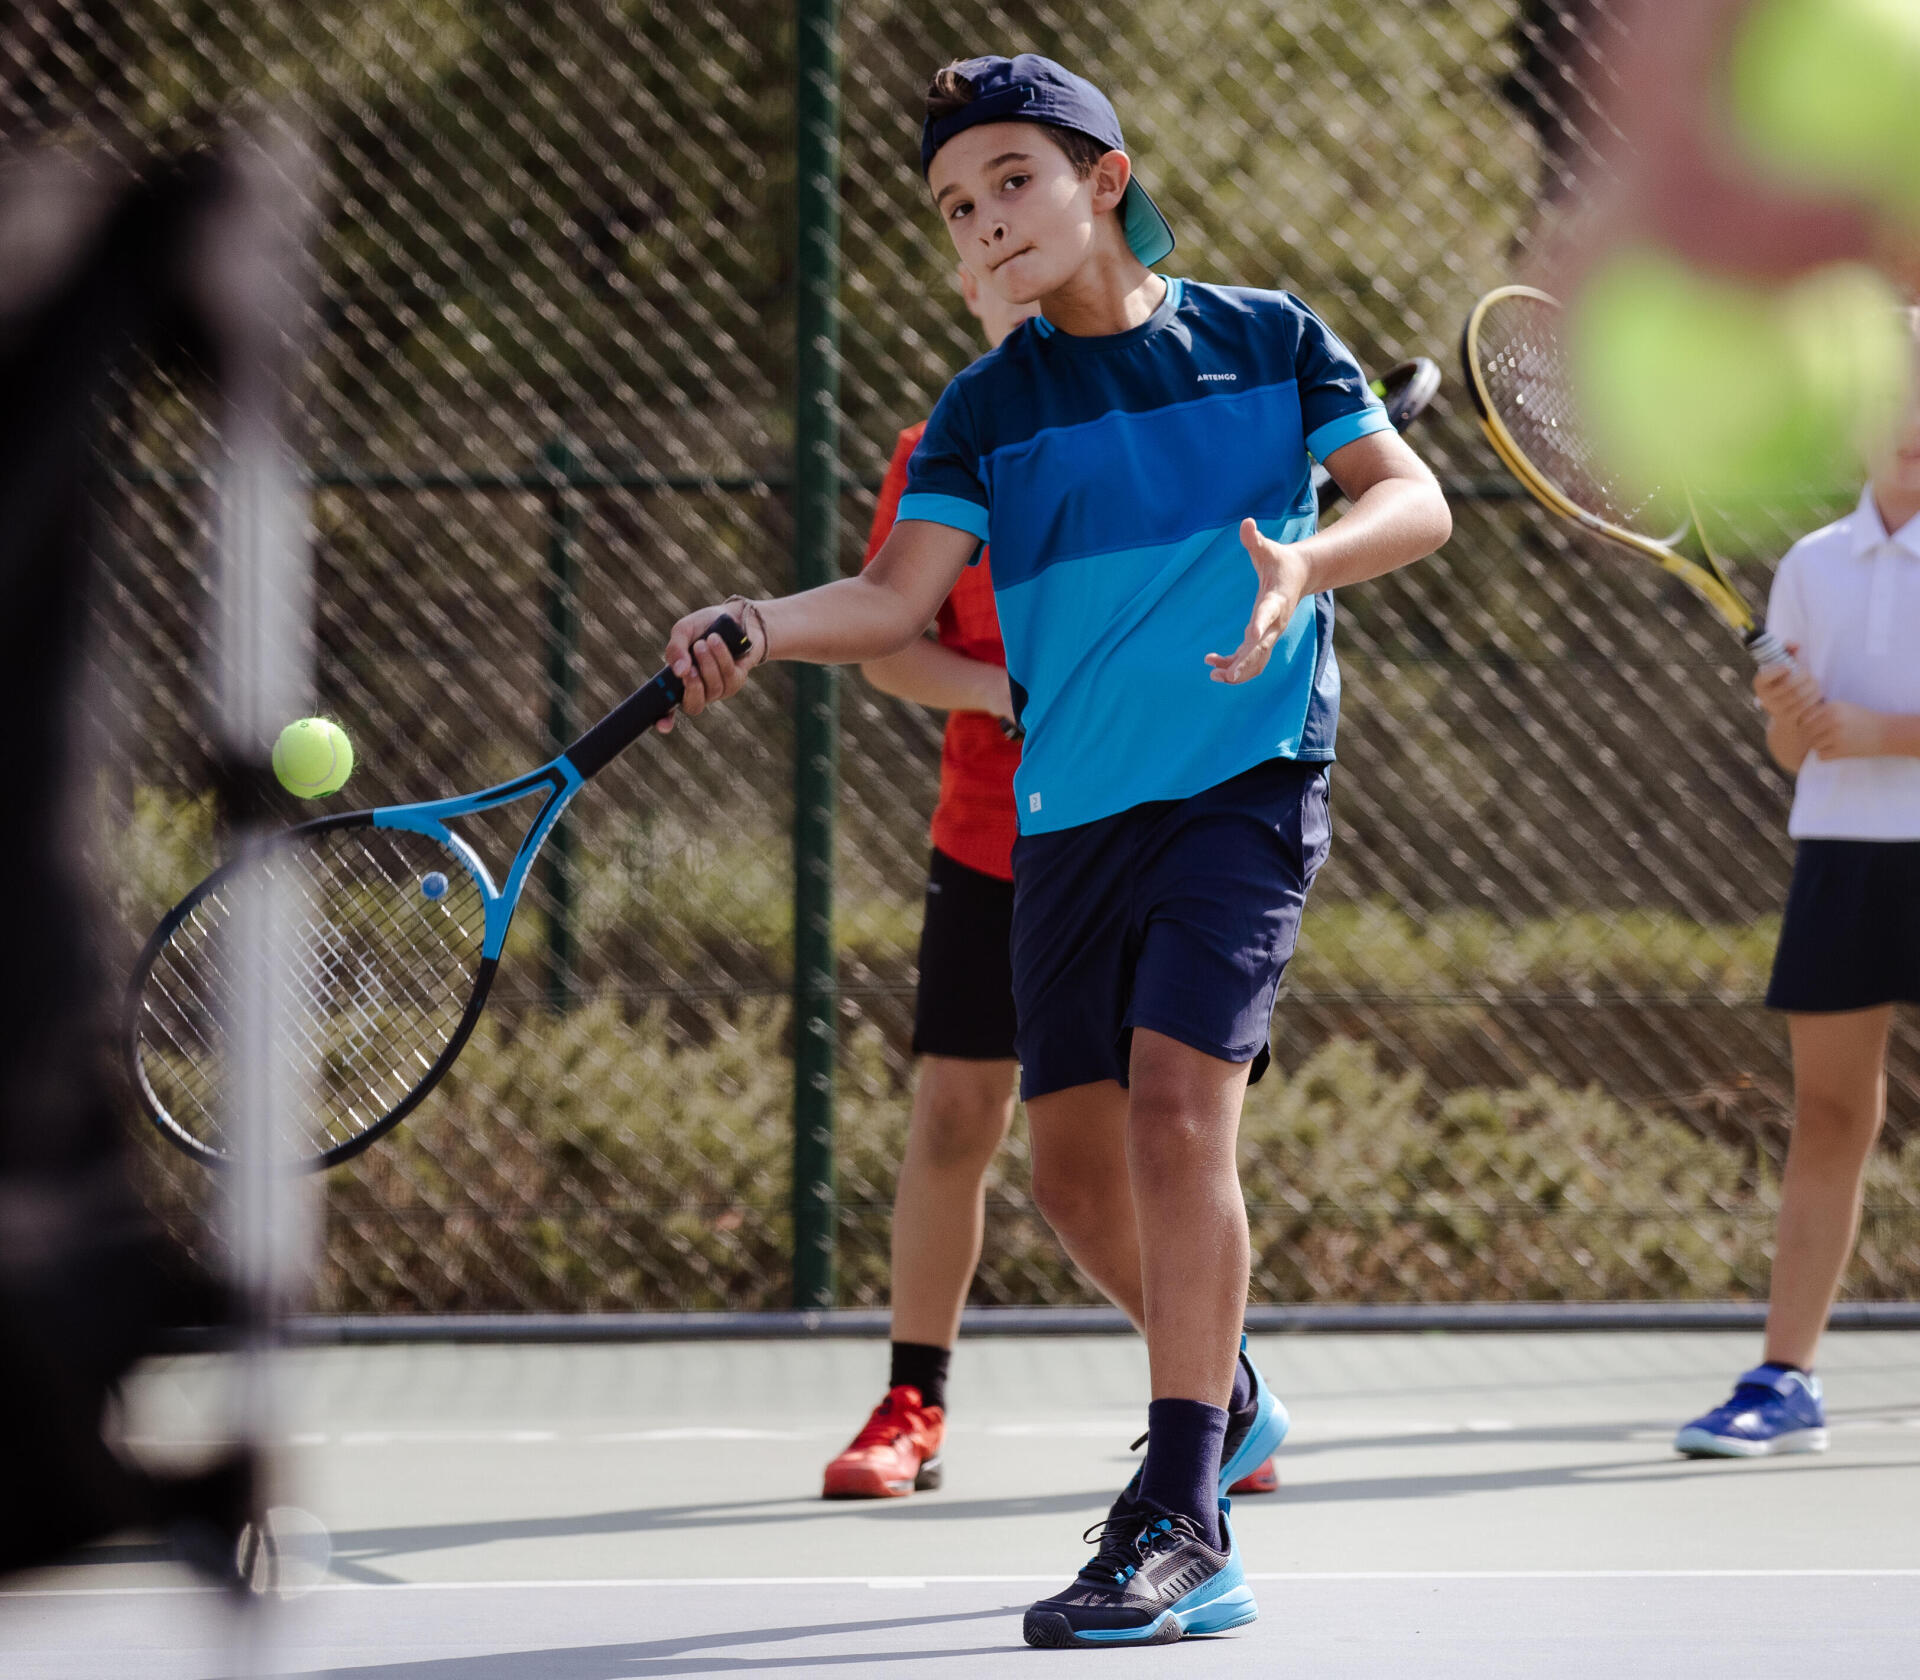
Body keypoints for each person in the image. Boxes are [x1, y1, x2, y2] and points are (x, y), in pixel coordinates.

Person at [658, 54, 1450, 1646]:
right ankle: (1224, 1391)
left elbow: (1413, 499)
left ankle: (1186, 1516)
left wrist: (1308, 563)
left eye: (1013, 177)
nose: (987, 216)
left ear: (1105, 178)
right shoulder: (987, 408)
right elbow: (889, 602)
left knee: (1175, 1116)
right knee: (1077, 1185)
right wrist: (759, 618)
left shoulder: (1268, 338)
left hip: (1242, 782)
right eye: (958, 204)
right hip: (1068, 815)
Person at [822, 264, 1276, 1504]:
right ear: (964, 286)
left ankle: (1204, 1403)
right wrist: (1004, 689)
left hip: (1153, 828)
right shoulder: (946, 445)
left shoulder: (1182, 416)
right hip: (993, 841)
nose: (1009, 262)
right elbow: (886, 643)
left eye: (1028, 213)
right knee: (961, 1122)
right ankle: (916, 1400)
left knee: (1156, 1137)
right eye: (973, 234)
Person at [1675, 317, 1920, 1458]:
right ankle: (1785, 1376)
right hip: (1844, 862)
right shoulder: (1814, 566)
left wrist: (1881, 731)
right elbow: (1796, 756)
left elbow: (1870, 730)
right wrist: (1797, 725)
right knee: (1830, 1117)